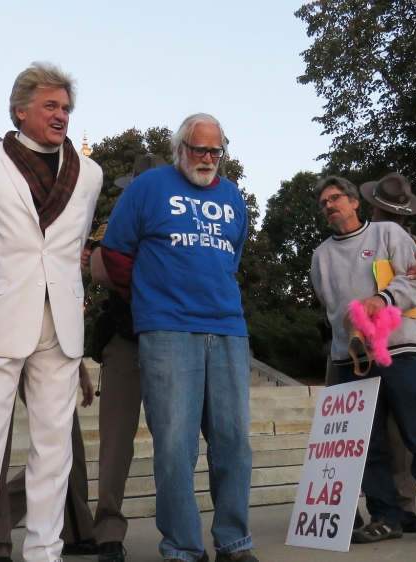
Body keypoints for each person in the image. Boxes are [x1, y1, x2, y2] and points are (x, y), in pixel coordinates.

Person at [0, 62, 102, 562]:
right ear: (20, 111)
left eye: (66, 107)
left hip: (60, 327)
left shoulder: (89, 173)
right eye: (50, 105)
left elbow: (71, 248)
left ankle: (45, 552)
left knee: (54, 450)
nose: (61, 115)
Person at [99, 114, 257, 562]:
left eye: (215, 151)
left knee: (234, 443)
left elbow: (231, 255)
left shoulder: (232, 196)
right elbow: (114, 251)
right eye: (197, 149)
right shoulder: (148, 188)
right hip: (167, 329)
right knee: (174, 444)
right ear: (180, 148)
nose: (206, 158)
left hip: (227, 328)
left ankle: (234, 541)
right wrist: (148, 295)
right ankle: (183, 548)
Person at [310, 176, 416, 545]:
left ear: (355, 202)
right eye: (324, 202)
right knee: (368, 443)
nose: (330, 205)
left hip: (400, 350)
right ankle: (385, 517)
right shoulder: (320, 255)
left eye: (336, 198)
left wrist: (382, 299)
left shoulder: (389, 234)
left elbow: (415, 281)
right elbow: (329, 304)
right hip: (351, 359)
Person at [88, 154, 169, 562]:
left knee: (175, 440)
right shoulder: (116, 220)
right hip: (127, 337)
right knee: (117, 442)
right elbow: (99, 269)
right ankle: (108, 531)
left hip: (170, 339)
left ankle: (179, 532)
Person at [357, 172, 416, 533]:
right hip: (365, 347)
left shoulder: (405, 239)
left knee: (403, 435)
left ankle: (406, 508)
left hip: (401, 342)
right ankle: (394, 509)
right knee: (382, 436)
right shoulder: (363, 238)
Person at [0, 363, 98, 562]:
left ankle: (76, 533)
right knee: (58, 452)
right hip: (29, 362)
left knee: (61, 453)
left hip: (54, 363)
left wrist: (80, 370)